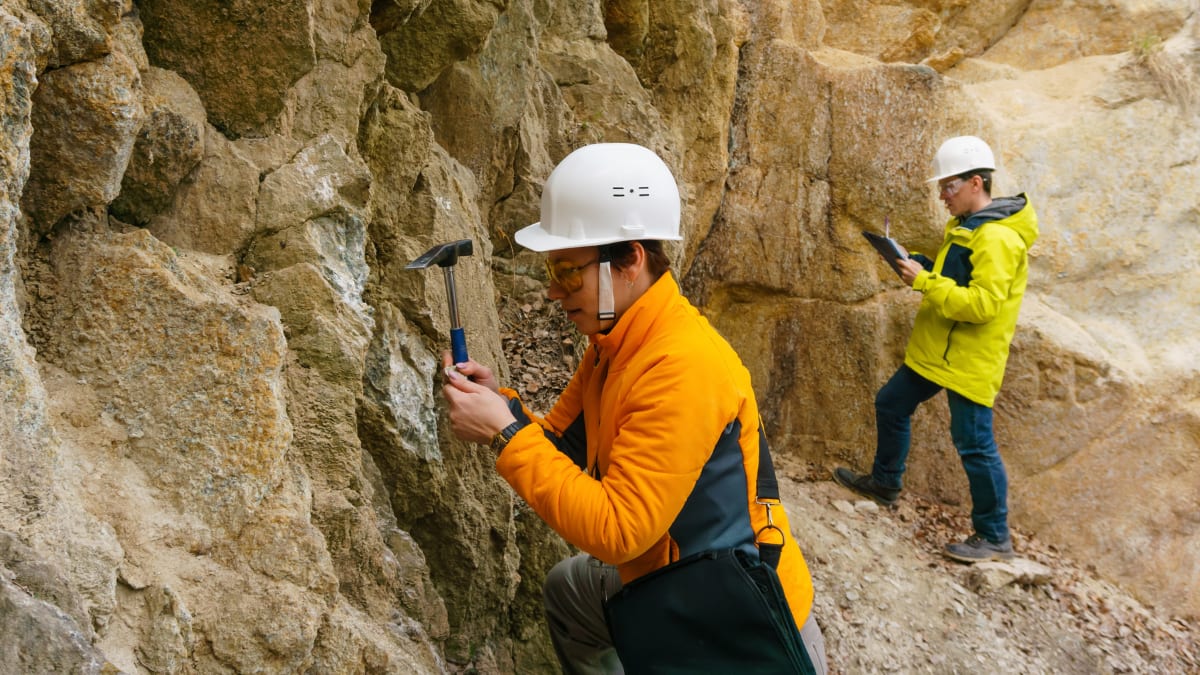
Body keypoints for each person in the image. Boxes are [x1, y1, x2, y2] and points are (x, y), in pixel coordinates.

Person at [441, 143, 827, 673]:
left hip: (739, 622)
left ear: (631, 261)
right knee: (569, 591)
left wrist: (506, 436)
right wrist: (501, 408)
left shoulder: (682, 365)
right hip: (673, 581)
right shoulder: (616, 344)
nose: (555, 291)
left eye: (568, 271)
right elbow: (560, 448)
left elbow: (620, 532)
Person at [834, 135, 1039, 563]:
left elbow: (983, 305)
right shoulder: (969, 227)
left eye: (948, 186)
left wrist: (923, 282)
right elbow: (960, 279)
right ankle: (886, 483)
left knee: (974, 444)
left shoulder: (997, 239)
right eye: (941, 186)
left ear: (976, 183)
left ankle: (994, 536)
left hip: (967, 360)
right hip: (937, 353)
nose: (942, 195)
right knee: (891, 404)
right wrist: (921, 264)